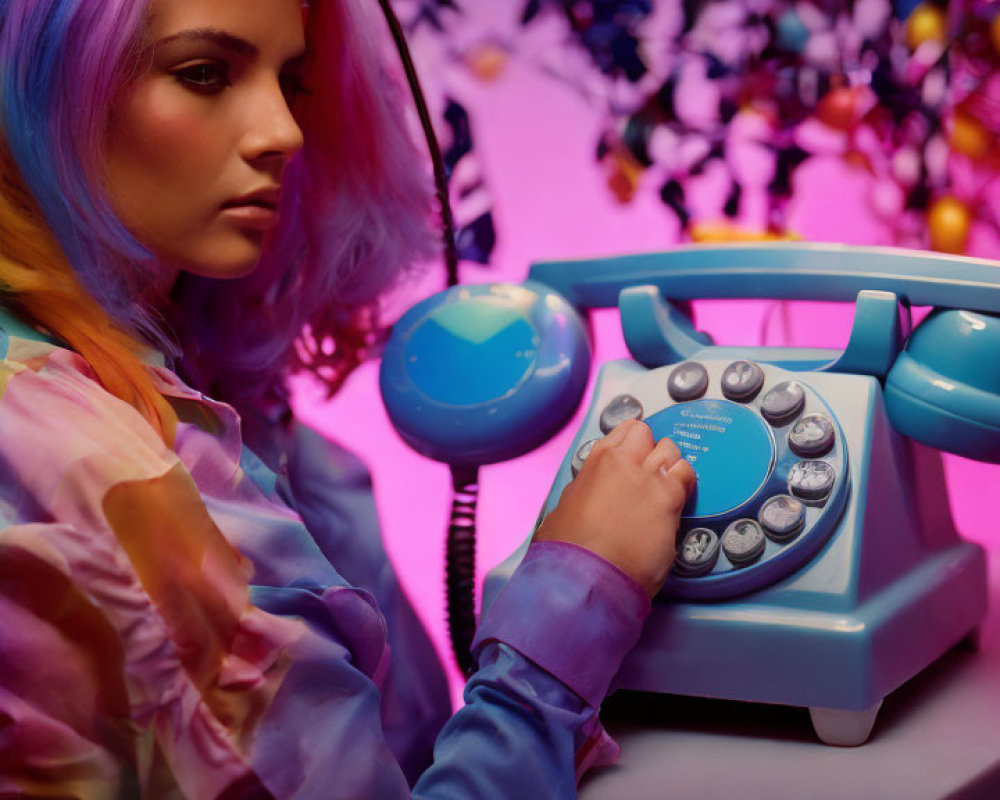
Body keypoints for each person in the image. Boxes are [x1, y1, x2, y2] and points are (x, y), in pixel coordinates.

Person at [0, 0, 695, 796]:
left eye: (294, 80)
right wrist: (578, 596)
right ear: (40, 88)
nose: (285, 132)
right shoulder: (108, 474)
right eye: (203, 73)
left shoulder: (228, 418)